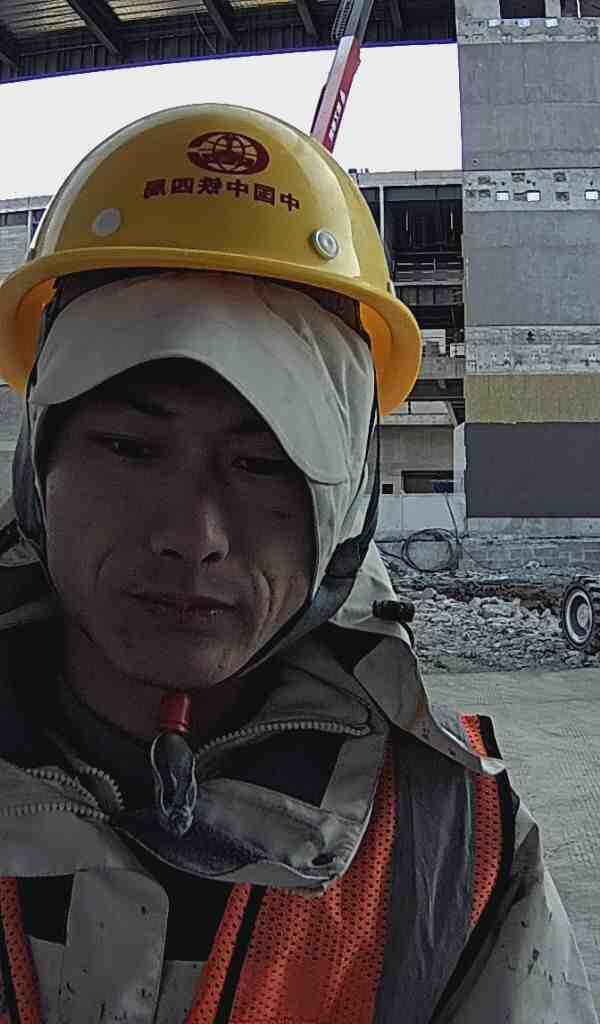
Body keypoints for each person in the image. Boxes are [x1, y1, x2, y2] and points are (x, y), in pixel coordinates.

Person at [0, 104, 595, 1024]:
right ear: (39, 468)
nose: (193, 534)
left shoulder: (456, 847)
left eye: (263, 461)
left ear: (344, 502)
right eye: (129, 448)